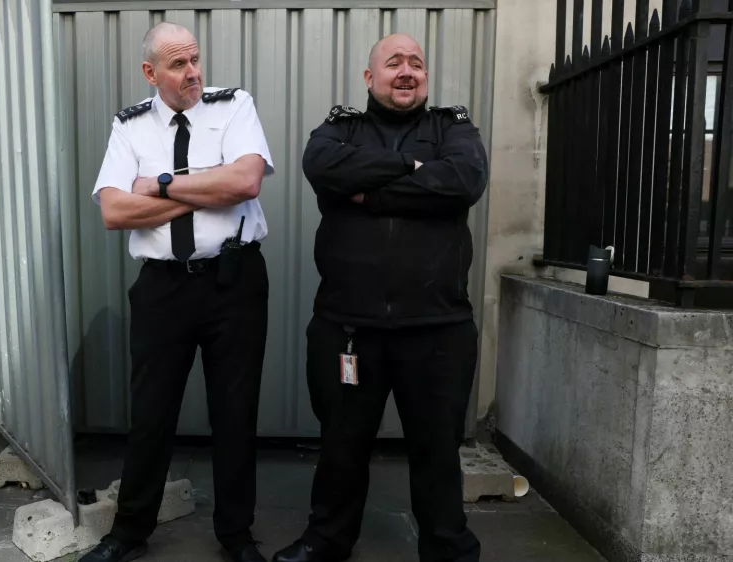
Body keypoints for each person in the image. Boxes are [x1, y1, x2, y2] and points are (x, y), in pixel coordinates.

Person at [272, 33, 489, 562]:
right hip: (348, 329)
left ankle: (448, 549)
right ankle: (327, 540)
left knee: (437, 452)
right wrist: (417, 173)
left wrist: (367, 188)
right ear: (371, 78)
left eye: (416, 63)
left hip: (438, 328)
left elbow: (463, 179)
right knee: (342, 446)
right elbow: (322, 166)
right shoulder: (339, 129)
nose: (407, 71)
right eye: (394, 63)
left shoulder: (452, 128)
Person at [83, 21, 274, 562]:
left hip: (233, 281)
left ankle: (236, 536)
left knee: (236, 412)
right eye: (177, 64)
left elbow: (246, 183)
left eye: (195, 60)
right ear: (151, 72)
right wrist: (207, 188)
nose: (192, 73)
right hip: (162, 288)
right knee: (151, 413)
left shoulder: (233, 106)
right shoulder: (130, 126)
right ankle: (128, 533)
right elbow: (115, 211)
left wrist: (162, 185)